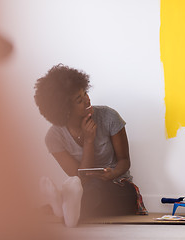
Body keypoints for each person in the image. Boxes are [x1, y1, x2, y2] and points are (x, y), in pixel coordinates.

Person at [34, 64, 147, 227]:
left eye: (85, 93)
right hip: (87, 189)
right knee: (89, 189)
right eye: (79, 100)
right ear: (65, 109)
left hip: (118, 189)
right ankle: (68, 211)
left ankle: (62, 208)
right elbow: (80, 178)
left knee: (96, 191)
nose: (87, 99)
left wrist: (112, 173)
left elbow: (124, 161)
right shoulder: (54, 137)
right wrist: (88, 141)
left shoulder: (109, 116)